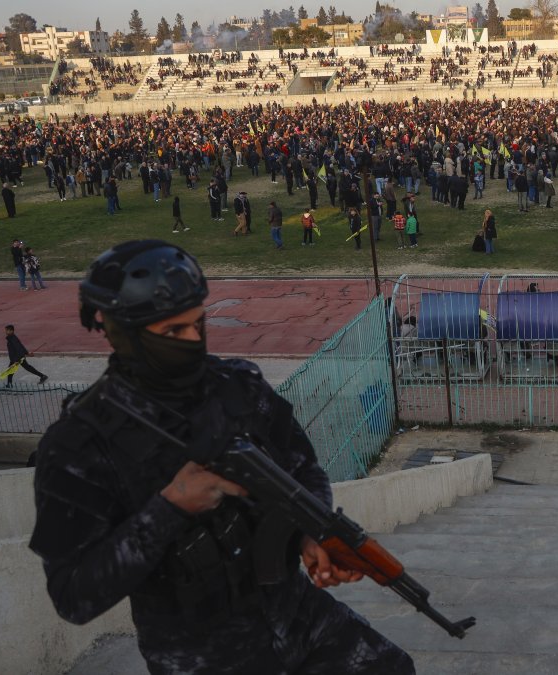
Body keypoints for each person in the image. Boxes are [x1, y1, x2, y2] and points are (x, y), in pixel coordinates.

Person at [28, 240, 415, 675]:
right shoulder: (79, 444)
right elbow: (73, 596)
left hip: (298, 618)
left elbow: (303, 469)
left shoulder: (237, 386)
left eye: (199, 324)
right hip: (203, 658)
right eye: (174, 332)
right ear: (124, 333)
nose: (194, 341)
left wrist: (311, 534)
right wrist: (169, 508)